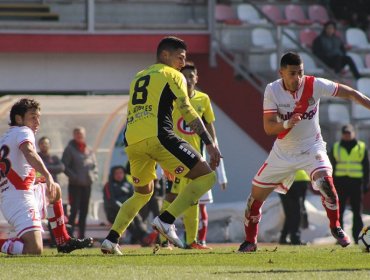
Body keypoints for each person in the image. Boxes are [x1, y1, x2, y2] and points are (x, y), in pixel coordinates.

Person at [238, 51, 370, 253]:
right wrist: (287, 123)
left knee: (325, 183)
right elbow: (269, 128)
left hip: (312, 147)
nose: (297, 78)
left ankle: (335, 227)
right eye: (292, 73)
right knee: (254, 199)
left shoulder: (314, 84)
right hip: (283, 152)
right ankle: (250, 241)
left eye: (300, 72)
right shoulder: (272, 90)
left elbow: (352, 93)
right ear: (281, 72)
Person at [100, 36, 221, 255]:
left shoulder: (139, 76)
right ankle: (166, 220)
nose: (183, 64)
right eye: (180, 57)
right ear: (165, 55)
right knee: (207, 176)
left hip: (133, 140)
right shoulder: (173, 74)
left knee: (143, 193)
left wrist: (163, 158)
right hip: (158, 136)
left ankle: (111, 239)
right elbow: (186, 109)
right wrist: (209, 143)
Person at [0, 98, 93, 255]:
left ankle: (63, 241)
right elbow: (29, 151)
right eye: (32, 117)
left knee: (53, 190)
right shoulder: (24, 131)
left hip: (15, 196)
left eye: (38, 117)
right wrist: (47, 174)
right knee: (34, 250)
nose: (37, 122)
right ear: (19, 119)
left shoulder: (5, 137)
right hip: (19, 199)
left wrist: (39, 179)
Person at [160, 61, 227, 249]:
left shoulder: (203, 99)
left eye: (192, 76)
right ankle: (164, 241)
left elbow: (209, 124)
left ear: (197, 78)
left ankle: (191, 241)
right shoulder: (173, 98)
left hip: (196, 158)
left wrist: (213, 146)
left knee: (193, 198)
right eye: (185, 76)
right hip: (174, 156)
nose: (189, 80)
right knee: (172, 196)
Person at [329, 124, 369, 244]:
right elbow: (331, 167)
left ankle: (358, 237)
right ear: (342, 134)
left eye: (349, 133)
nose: (347, 135)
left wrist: (366, 184)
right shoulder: (336, 147)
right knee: (339, 211)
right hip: (340, 183)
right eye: (345, 133)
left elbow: (366, 167)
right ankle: (340, 237)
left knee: (357, 211)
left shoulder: (361, 147)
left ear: (353, 133)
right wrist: (331, 185)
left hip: (356, 183)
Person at [103, 165, 157, 245]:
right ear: (112, 175)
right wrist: (124, 208)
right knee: (129, 220)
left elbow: (134, 197)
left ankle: (145, 235)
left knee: (137, 217)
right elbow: (111, 201)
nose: (119, 175)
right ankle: (144, 238)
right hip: (113, 213)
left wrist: (130, 208)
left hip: (129, 211)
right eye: (117, 173)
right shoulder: (108, 186)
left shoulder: (128, 184)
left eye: (121, 173)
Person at [62, 126, 98, 239]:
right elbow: (64, 166)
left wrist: (93, 176)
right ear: (74, 135)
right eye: (77, 133)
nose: (79, 135)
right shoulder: (69, 149)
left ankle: (82, 237)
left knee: (84, 211)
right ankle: (69, 236)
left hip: (87, 185)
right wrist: (74, 177)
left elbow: (94, 166)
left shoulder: (88, 149)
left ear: (84, 135)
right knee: (74, 211)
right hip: (75, 186)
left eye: (81, 134)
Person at [37, 136, 66, 247]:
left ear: (49, 145)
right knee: (42, 215)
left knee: (53, 215)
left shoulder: (53, 157)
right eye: (42, 143)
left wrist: (46, 169)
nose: (44, 145)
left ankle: (57, 241)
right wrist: (49, 169)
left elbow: (62, 167)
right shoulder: (37, 157)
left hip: (53, 190)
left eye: (46, 143)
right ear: (39, 145)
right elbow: (36, 169)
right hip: (41, 190)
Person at [279, 169, 309, 245]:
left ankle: (284, 237)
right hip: (298, 180)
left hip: (282, 180)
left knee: (289, 211)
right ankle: (295, 238)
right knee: (296, 210)